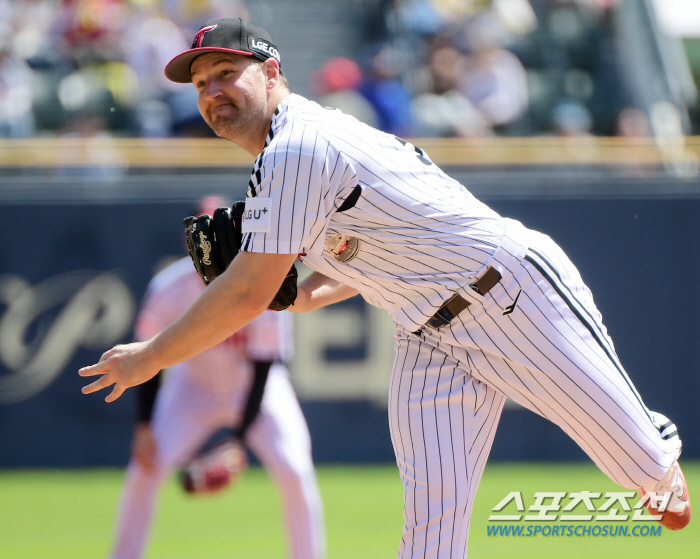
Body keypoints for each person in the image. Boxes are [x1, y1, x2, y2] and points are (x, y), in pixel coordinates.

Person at [80, 18, 691, 559]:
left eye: (224, 73)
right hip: (427, 335)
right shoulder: (283, 160)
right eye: (201, 85)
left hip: (512, 293)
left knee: (651, 483)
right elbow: (342, 267)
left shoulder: (296, 146)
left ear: (270, 73)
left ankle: (654, 452)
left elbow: (243, 295)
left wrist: (153, 356)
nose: (212, 92)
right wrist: (289, 295)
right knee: (431, 532)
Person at [108, 235, 325, 559]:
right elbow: (145, 360)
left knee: (295, 471)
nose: (211, 244)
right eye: (204, 234)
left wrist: (237, 440)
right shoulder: (169, 288)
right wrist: (144, 428)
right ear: (189, 243)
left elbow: (264, 366)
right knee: (144, 470)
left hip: (257, 391)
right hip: (191, 391)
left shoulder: (263, 282)